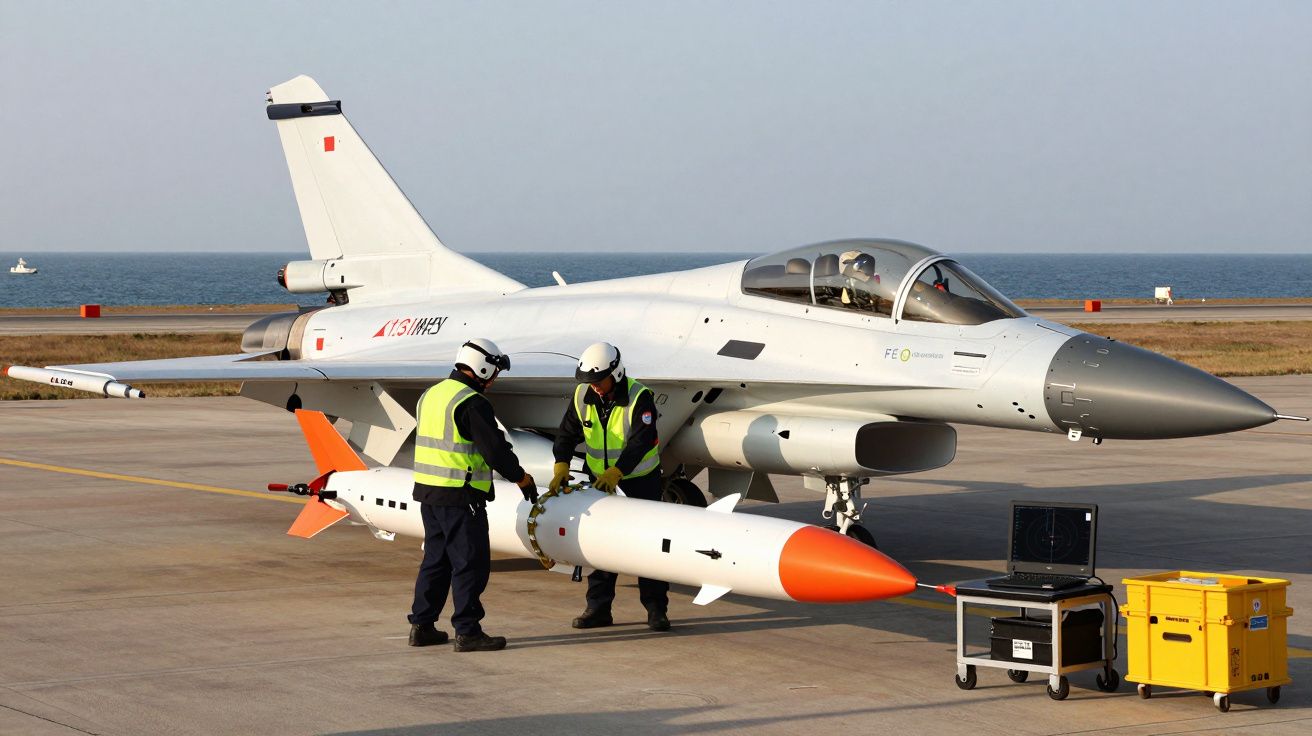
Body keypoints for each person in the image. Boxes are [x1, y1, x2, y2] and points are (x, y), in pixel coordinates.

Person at [408, 338, 538, 652]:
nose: (493, 381)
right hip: (460, 496)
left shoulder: (431, 394)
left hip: (429, 492)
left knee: (435, 561)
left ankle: (422, 626)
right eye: (493, 373)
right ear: (481, 367)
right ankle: (467, 631)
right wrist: (521, 478)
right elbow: (494, 450)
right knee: (470, 563)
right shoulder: (471, 402)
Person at [549, 342, 670, 632]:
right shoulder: (583, 395)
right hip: (600, 482)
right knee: (600, 543)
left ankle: (656, 610)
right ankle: (598, 608)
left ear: (615, 374)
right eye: (589, 383)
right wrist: (561, 464)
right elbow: (566, 434)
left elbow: (642, 441)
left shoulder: (639, 397)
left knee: (646, 545)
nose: (595, 388)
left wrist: (619, 471)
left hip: (640, 481)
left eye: (599, 381)